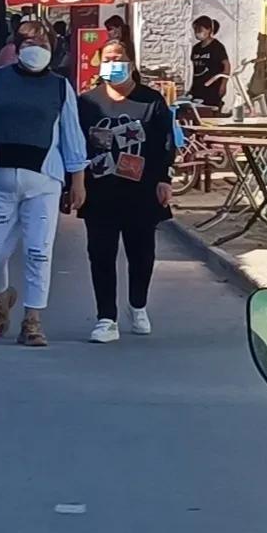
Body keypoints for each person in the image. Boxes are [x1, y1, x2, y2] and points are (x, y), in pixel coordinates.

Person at [0, 11, 87, 347]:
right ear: (16, 46)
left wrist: (78, 180)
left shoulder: (60, 87)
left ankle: (33, 320)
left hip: (44, 180)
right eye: (28, 41)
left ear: (53, 48)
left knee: (38, 251)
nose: (35, 46)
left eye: (42, 41)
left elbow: (72, 135)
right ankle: (1, 295)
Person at [78, 45, 180, 344]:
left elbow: (165, 142)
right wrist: (73, 184)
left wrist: (164, 178)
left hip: (141, 191)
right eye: (107, 60)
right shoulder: (87, 101)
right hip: (99, 191)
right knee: (100, 253)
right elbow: (75, 144)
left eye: (118, 60)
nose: (113, 65)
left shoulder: (151, 101)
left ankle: (138, 305)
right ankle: (106, 317)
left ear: (131, 63)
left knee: (141, 252)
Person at [185, 13, 231, 118]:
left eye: (200, 29)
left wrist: (223, 84)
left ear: (209, 30)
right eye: (195, 30)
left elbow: (226, 65)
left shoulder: (217, 47)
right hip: (198, 86)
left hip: (212, 87)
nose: (197, 32)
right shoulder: (196, 48)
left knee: (210, 113)